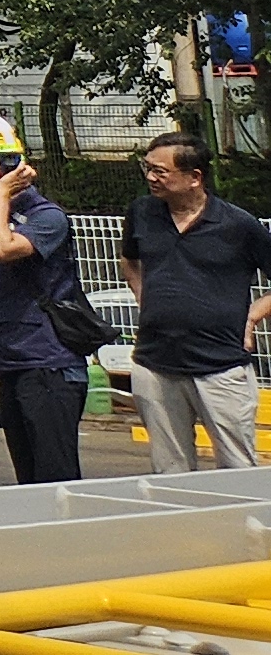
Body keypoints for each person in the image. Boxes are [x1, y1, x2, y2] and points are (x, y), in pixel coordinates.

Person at [0, 110, 86, 484]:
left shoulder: (46, 217)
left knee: (55, 479)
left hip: (48, 367)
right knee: (28, 481)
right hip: (13, 366)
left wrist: (3, 193)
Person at [121, 130, 271, 472]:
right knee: (169, 470)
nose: (150, 177)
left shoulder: (237, 225)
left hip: (220, 365)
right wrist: (145, 297)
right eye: (147, 168)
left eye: (160, 171)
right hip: (155, 362)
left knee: (238, 468)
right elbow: (129, 260)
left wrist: (253, 316)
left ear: (195, 177)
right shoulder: (142, 212)